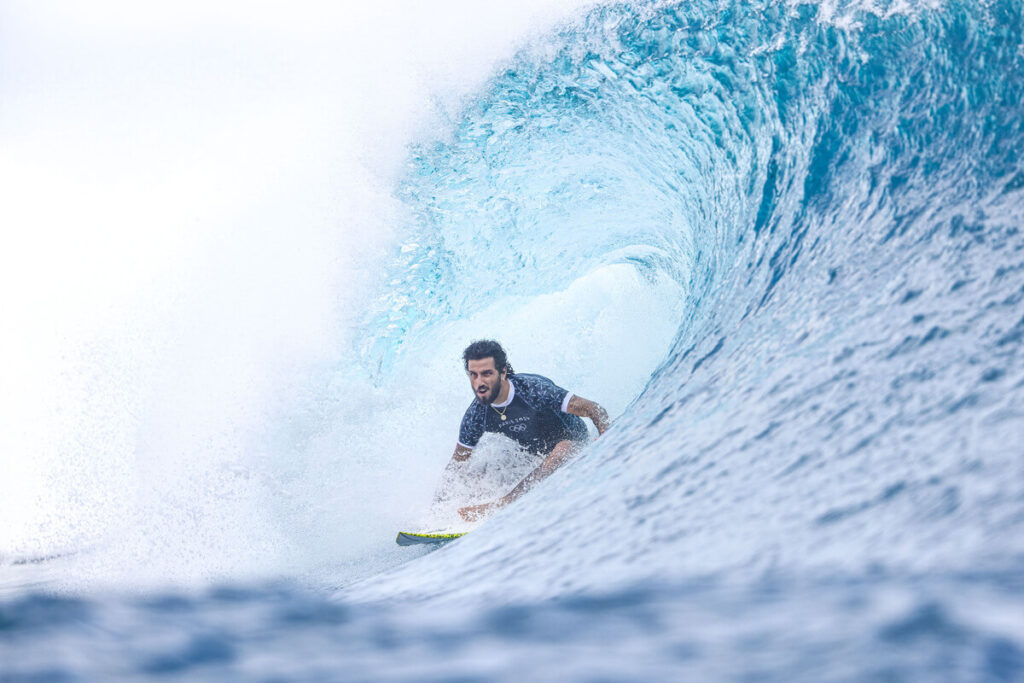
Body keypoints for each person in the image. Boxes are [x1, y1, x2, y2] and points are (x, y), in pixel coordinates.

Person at [444, 339, 610, 522]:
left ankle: (505, 502)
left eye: (486, 374)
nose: (479, 383)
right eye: (473, 375)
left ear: (503, 372)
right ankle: (456, 514)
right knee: (479, 470)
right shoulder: (476, 414)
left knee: (564, 448)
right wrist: (437, 508)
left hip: (573, 443)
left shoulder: (533, 390)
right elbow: (456, 464)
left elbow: (595, 409)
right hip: (535, 456)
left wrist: (605, 438)